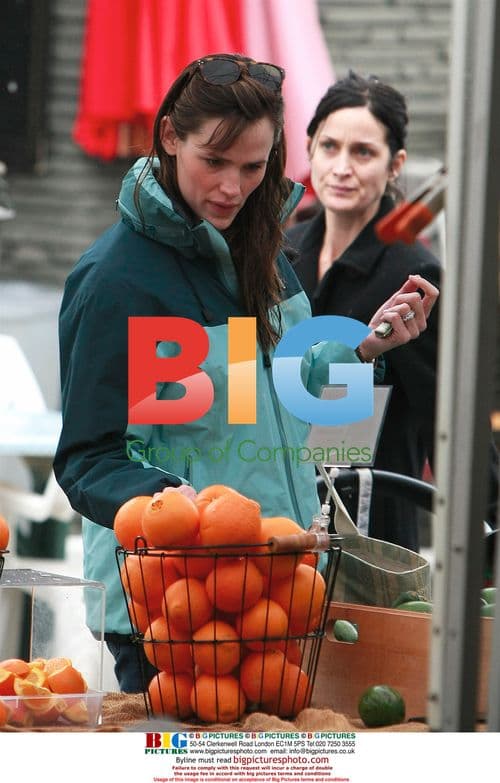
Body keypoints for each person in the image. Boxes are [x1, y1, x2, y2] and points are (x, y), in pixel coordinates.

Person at [54, 55, 438, 692]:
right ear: (171, 137)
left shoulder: (261, 253)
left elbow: (276, 391)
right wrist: (170, 503)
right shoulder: (115, 280)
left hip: (275, 592)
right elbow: (87, 459)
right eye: (215, 161)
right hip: (172, 607)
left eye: (253, 167)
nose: (232, 186)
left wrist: (366, 349)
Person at [287, 71, 498, 551]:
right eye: (330, 146)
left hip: (370, 533)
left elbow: (451, 416)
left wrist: (490, 513)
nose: (342, 167)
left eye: (363, 152)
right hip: (276, 521)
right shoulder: (278, 253)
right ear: (310, 148)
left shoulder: (416, 276)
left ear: (395, 164)